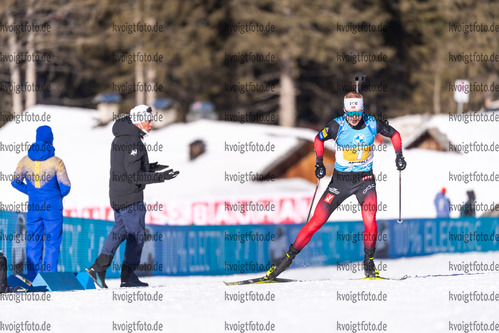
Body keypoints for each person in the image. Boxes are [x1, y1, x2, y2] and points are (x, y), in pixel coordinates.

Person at [266, 91, 406, 279]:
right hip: (340, 182)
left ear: (362, 111)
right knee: (315, 222)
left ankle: (369, 265)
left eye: (357, 114)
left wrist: (399, 155)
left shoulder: (372, 123)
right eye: (350, 114)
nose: (354, 118)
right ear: (344, 111)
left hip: (365, 180)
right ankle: (283, 264)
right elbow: (318, 139)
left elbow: (395, 135)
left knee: (371, 221)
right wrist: (318, 162)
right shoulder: (336, 126)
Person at [86, 105, 179, 288]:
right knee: (136, 235)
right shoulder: (133, 142)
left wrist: (150, 167)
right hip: (130, 197)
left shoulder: (122, 137)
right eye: (148, 119)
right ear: (138, 120)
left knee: (119, 232)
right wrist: (160, 177)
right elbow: (133, 175)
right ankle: (127, 277)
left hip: (118, 194)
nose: (152, 123)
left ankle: (98, 268)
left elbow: (127, 167)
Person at [11, 125, 71, 281]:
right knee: (52, 242)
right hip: (53, 208)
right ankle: (49, 278)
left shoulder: (24, 161)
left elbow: (15, 182)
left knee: (33, 241)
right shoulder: (57, 162)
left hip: (34, 207)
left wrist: (32, 192)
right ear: (51, 139)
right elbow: (66, 187)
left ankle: (33, 278)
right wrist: (55, 195)